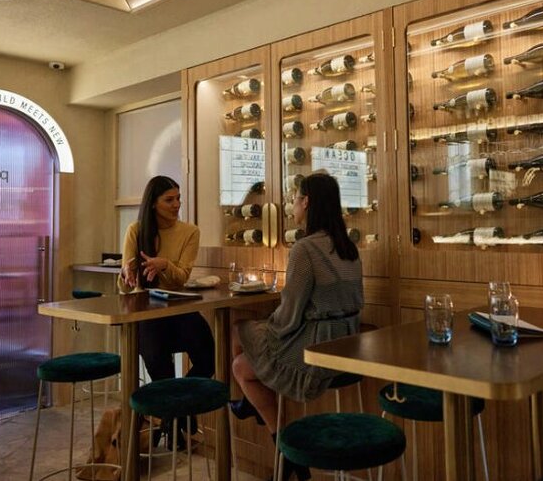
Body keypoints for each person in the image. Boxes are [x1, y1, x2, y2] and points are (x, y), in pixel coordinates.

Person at [230, 173, 363, 481]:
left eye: (294, 199)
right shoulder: (349, 246)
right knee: (246, 352)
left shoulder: (304, 249)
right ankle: (258, 411)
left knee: (239, 334)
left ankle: (277, 437)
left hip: (315, 347)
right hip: (347, 342)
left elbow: (290, 313)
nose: (291, 205)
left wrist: (269, 330)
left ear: (307, 202)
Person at [120, 175, 215, 441]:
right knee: (157, 363)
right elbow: (127, 287)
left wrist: (164, 265)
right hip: (147, 313)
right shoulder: (136, 231)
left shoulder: (190, 232)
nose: (177, 205)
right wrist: (126, 275)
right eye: (169, 200)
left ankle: (176, 413)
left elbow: (182, 276)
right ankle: (178, 416)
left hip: (179, 308)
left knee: (210, 357)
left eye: (178, 198)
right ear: (153, 203)